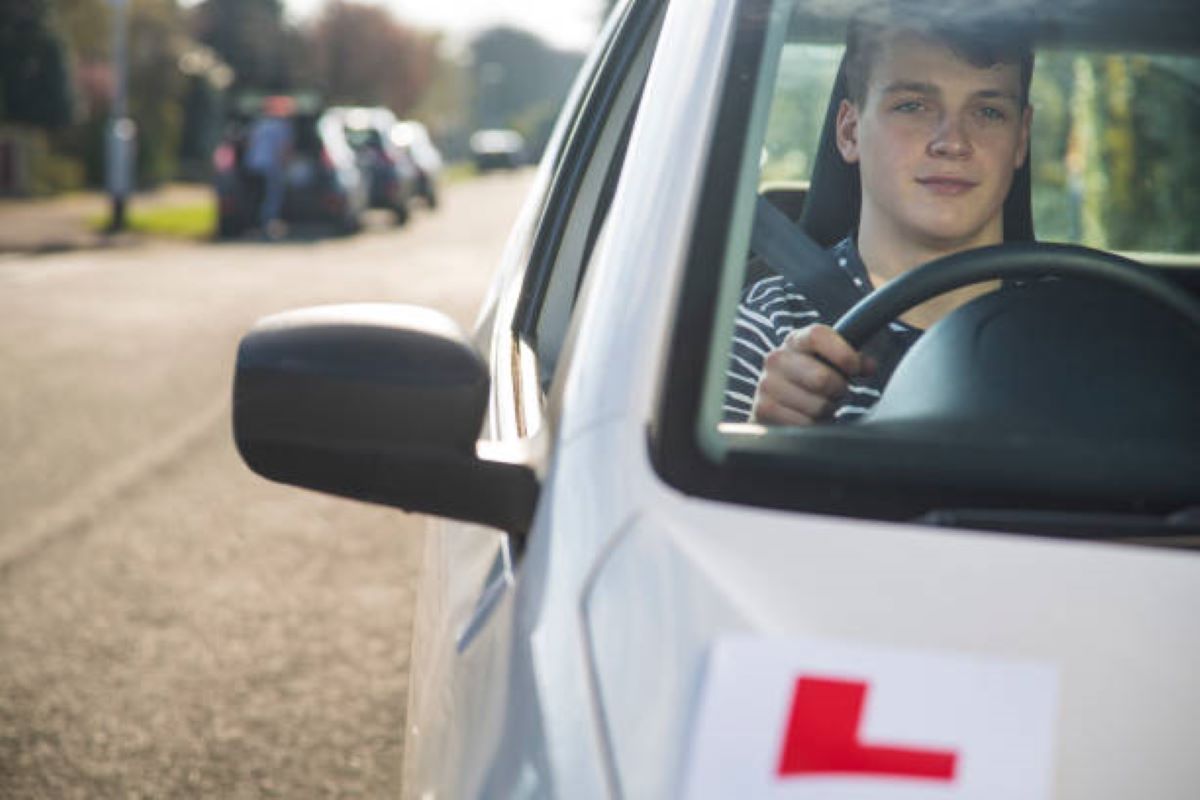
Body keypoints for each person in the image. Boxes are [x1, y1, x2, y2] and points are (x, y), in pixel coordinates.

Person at [724, 15, 1034, 425]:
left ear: (1022, 138)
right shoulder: (769, 326)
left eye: (989, 112)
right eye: (913, 106)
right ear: (850, 132)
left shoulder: (1078, 327)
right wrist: (763, 432)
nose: (953, 142)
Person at [244, 95, 295, 240]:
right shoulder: (282, 126)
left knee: (256, 196)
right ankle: (267, 226)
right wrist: (285, 165)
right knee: (271, 198)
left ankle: (253, 226)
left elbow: (249, 144)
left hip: (253, 164)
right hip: (271, 166)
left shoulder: (259, 124)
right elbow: (284, 148)